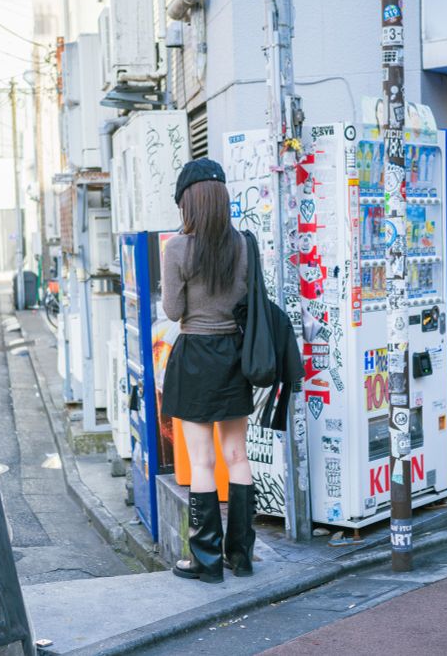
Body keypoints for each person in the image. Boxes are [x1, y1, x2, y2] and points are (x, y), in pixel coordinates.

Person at [161, 158, 256, 584]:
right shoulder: (244, 244)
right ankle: (241, 555)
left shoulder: (177, 249)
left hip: (196, 355)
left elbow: (174, 310)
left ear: (188, 203)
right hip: (235, 355)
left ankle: (205, 561)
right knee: (237, 456)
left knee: (202, 462)